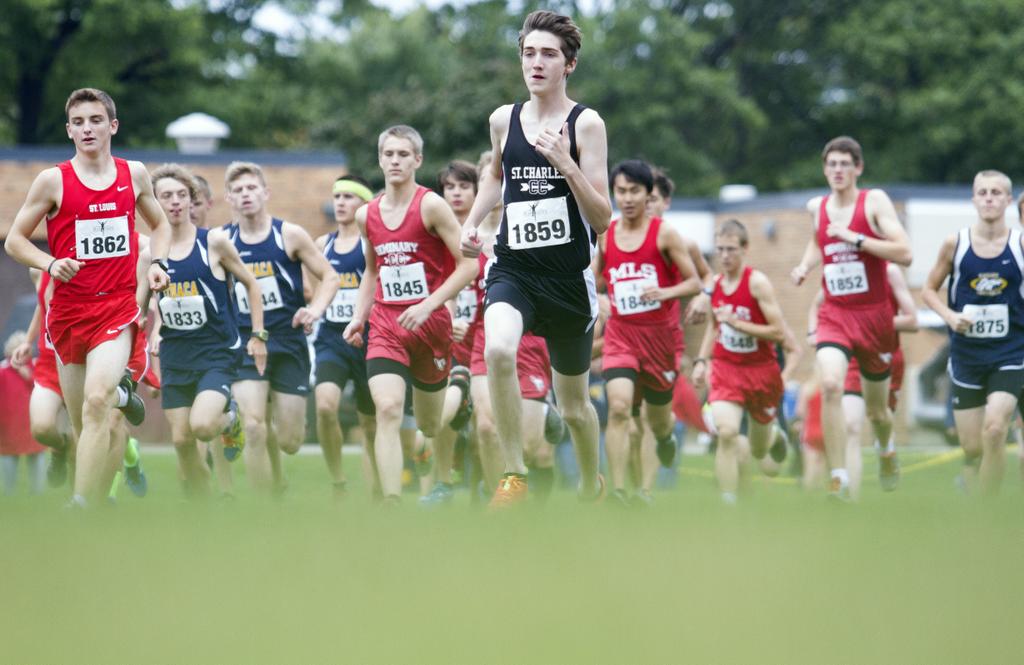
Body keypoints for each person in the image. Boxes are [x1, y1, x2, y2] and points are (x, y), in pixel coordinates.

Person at [460, 10, 611, 506]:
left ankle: (592, 487)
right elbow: (495, 178)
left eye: (548, 54)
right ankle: (514, 474)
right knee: (498, 350)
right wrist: (473, 221)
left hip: (567, 278)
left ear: (569, 64)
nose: (537, 63)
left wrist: (566, 163)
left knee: (572, 408)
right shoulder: (503, 119)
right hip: (514, 269)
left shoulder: (586, 123)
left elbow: (603, 216)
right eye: (529, 53)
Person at [4, 88, 170, 507]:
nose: (87, 129)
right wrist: (49, 263)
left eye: (95, 120)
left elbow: (161, 225)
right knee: (83, 421)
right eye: (78, 122)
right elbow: (15, 241)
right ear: (69, 131)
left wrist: (158, 263)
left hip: (115, 308)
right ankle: (96, 502)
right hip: (67, 313)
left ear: (112, 125)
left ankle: (79, 504)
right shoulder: (53, 180)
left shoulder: (133, 174)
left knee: (98, 400)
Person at [343, 125, 477, 503]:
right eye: (389, 154)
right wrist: (359, 316)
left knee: (431, 426)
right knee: (387, 409)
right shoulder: (366, 214)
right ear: (380, 159)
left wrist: (428, 305)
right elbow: (372, 270)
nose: (395, 161)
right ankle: (391, 501)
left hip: (430, 325)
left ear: (417, 160)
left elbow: (469, 266)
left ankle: (459, 391)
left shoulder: (432, 205)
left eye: (404, 154)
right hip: (387, 324)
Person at [790, 136, 912, 500]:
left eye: (845, 164)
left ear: (858, 168)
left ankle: (887, 449)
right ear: (824, 169)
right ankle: (839, 475)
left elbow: (904, 252)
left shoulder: (873, 201)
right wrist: (804, 266)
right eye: (832, 165)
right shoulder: (820, 207)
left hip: (875, 319)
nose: (838, 171)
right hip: (835, 315)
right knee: (829, 384)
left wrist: (856, 239)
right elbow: (818, 240)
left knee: (877, 412)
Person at [140, 164, 266, 497]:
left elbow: (252, 285)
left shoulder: (214, 242)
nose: (176, 202)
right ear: (154, 203)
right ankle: (203, 503)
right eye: (166, 196)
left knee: (203, 426)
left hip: (216, 353)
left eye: (182, 195)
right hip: (176, 355)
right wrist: (141, 345)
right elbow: (140, 310)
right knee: (182, 441)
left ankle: (230, 420)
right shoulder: (149, 255)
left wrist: (258, 334)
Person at [224, 161, 340, 494]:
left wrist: (314, 309)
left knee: (289, 440)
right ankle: (265, 506)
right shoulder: (224, 241)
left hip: (288, 343)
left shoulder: (288, 234)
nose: (245, 195)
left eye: (251, 188)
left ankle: (277, 467)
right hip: (247, 345)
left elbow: (330, 277)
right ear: (229, 199)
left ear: (265, 193)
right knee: (255, 427)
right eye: (238, 191)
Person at [594, 159, 700, 505]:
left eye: (634, 191)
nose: (626, 198)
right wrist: (601, 298)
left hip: (659, 340)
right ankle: (622, 490)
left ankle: (662, 449)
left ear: (647, 193)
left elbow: (694, 282)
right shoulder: (606, 234)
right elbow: (593, 281)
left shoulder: (664, 234)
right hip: (621, 336)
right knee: (621, 408)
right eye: (620, 191)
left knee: (657, 423)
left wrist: (665, 293)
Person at [921, 170, 1022, 495]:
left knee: (995, 428)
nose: (989, 198)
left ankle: (987, 509)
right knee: (972, 445)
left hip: (1011, 352)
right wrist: (949, 316)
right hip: (966, 356)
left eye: (996, 192)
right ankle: (976, 478)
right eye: (983, 192)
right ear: (974, 199)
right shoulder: (956, 244)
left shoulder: (1020, 243)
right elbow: (928, 290)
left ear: (1008, 200)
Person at [693, 220, 788, 504]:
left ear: (745, 249)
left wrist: (738, 324)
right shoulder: (715, 286)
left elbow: (778, 332)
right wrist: (701, 360)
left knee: (759, 452)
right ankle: (728, 501)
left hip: (761, 371)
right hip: (725, 368)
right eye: (720, 249)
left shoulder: (757, 283)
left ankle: (773, 436)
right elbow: (713, 327)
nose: (724, 256)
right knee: (727, 432)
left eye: (731, 249)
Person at [808, 263, 917, 498]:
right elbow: (817, 304)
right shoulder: (843, 266)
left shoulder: (889, 272)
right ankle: (847, 496)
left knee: (878, 415)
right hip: (850, 351)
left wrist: (870, 322)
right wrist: (812, 332)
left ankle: (886, 449)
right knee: (851, 426)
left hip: (881, 347)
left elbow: (912, 320)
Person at [419, 161, 481, 505]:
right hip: (449, 342)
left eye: (463, 186)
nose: (455, 194)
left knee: (483, 429)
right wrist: (446, 318)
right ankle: (439, 486)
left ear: (477, 191)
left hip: (486, 341)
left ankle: (483, 488)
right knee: (442, 416)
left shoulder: (485, 235)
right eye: (449, 187)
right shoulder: (433, 234)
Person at [311, 174, 375, 499]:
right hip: (332, 338)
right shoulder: (323, 245)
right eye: (337, 196)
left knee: (370, 424)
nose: (341, 202)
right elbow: (315, 287)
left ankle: (377, 488)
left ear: (364, 204)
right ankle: (338, 481)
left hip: (368, 339)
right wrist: (312, 309)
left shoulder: (372, 243)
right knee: (324, 406)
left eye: (349, 197)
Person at [0, 332, 48, 495]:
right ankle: (9, 495)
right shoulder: (2, 371)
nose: (21, 356)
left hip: (32, 424)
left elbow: (45, 390)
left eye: (24, 352)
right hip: (8, 427)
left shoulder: (36, 366)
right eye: (16, 351)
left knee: (36, 454)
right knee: (8, 457)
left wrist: (29, 377)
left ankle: (37, 495)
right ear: (9, 352)